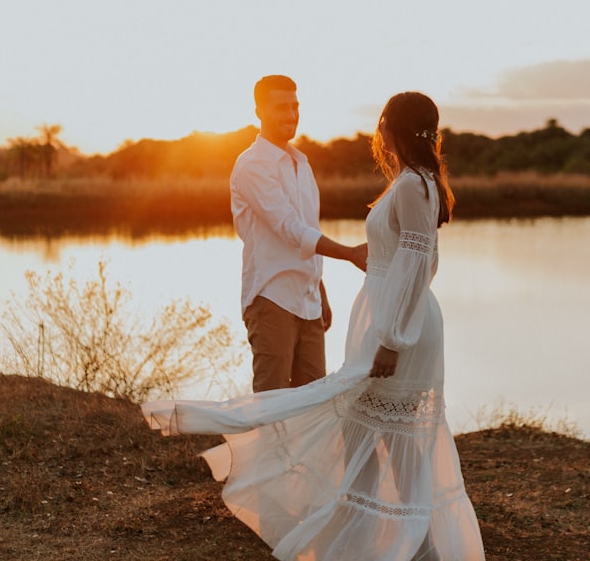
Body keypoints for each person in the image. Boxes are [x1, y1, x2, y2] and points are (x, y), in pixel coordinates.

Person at [143, 91, 486, 561]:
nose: (378, 129)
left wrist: (392, 338)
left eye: (383, 121)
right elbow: (299, 231)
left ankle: (416, 546)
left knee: (377, 432)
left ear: (394, 128)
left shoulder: (409, 184)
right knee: (364, 429)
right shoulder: (416, 180)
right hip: (378, 316)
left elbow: (417, 265)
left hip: (397, 327)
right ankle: (368, 536)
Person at [230, 74, 367, 392]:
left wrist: (319, 286)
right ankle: (265, 445)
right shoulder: (252, 165)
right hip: (271, 297)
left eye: (295, 106)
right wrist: (349, 254)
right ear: (259, 111)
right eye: (281, 107)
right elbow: (290, 229)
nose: (291, 115)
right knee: (273, 405)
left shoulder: (301, 163)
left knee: (312, 403)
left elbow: (308, 231)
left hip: (307, 300)